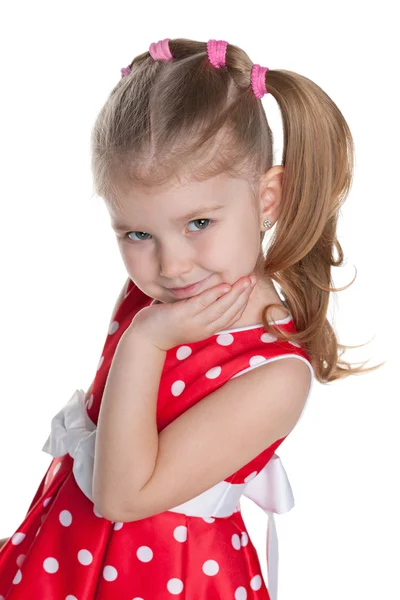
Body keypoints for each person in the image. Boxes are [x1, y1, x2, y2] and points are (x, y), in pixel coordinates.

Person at [0, 38, 384, 600]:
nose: (172, 264)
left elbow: (123, 497)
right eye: (138, 234)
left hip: (169, 580)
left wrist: (145, 345)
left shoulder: (273, 372)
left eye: (199, 223)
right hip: (62, 561)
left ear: (267, 196)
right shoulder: (153, 296)